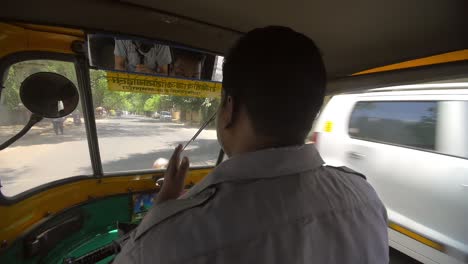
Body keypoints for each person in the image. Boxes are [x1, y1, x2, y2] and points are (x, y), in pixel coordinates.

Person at [114, 26, 389, 264]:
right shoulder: (365, 198)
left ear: (229, 108)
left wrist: (161, 211)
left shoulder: (167, 240)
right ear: (312, 111)